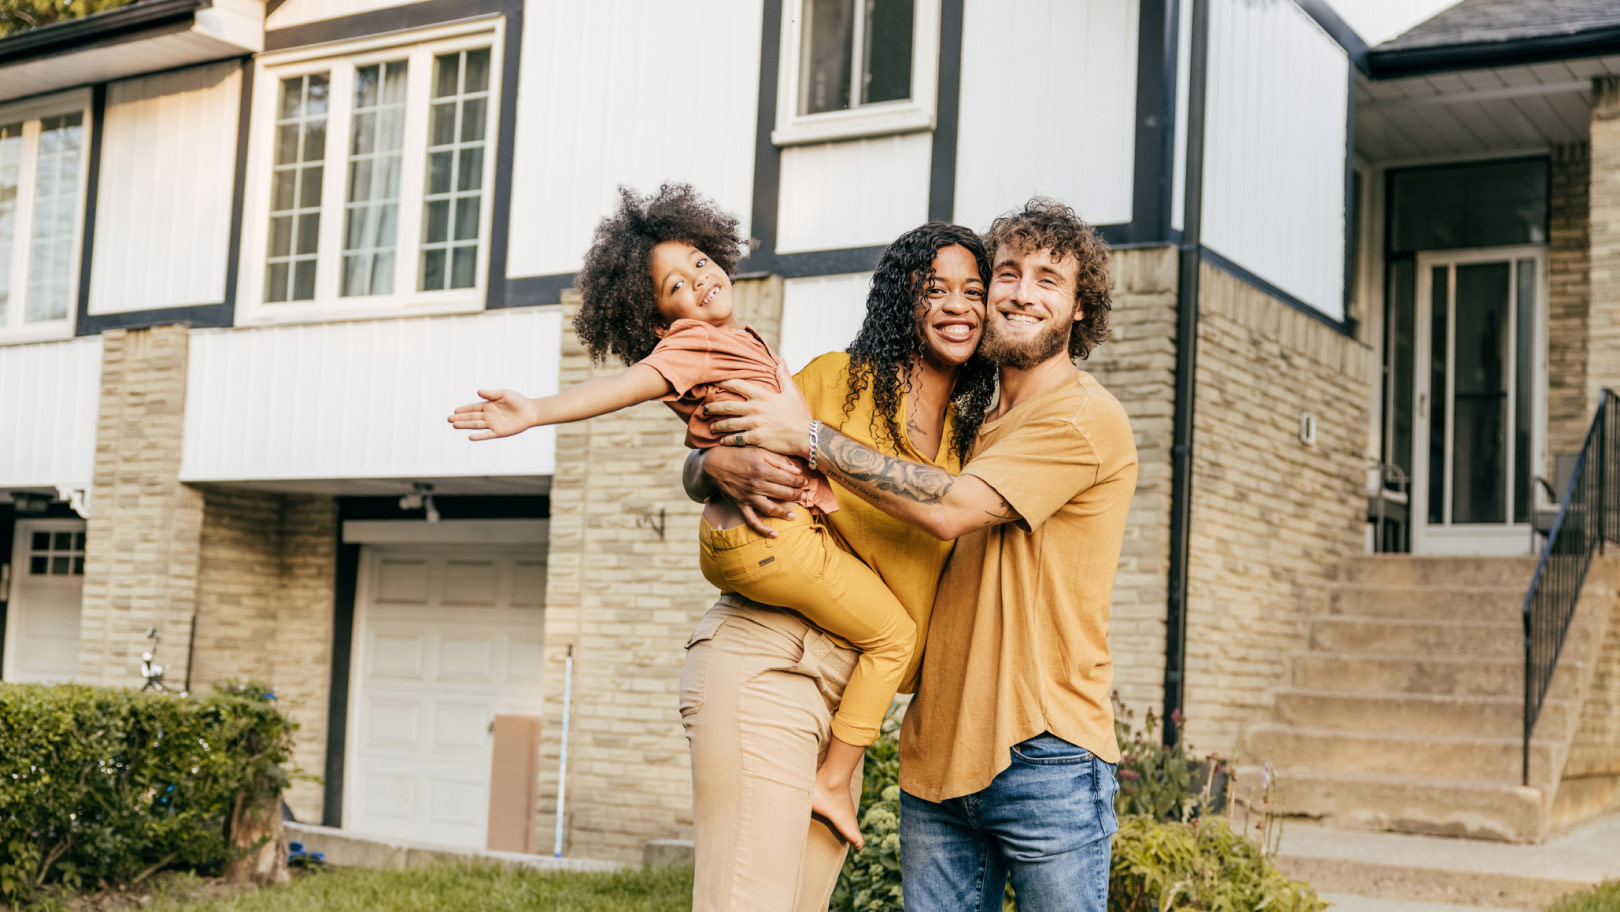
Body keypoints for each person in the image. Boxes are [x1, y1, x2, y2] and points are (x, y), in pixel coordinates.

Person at [703, 198, 1138, 912]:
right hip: (936, 756)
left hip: (1045, 754)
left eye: (1049, 280)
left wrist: (808, 438)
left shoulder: (1081, 417)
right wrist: (713, 464)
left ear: (1081, 306)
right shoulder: (972, 428)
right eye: (1008, 273)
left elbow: (947, 509)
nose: (1021, 293)